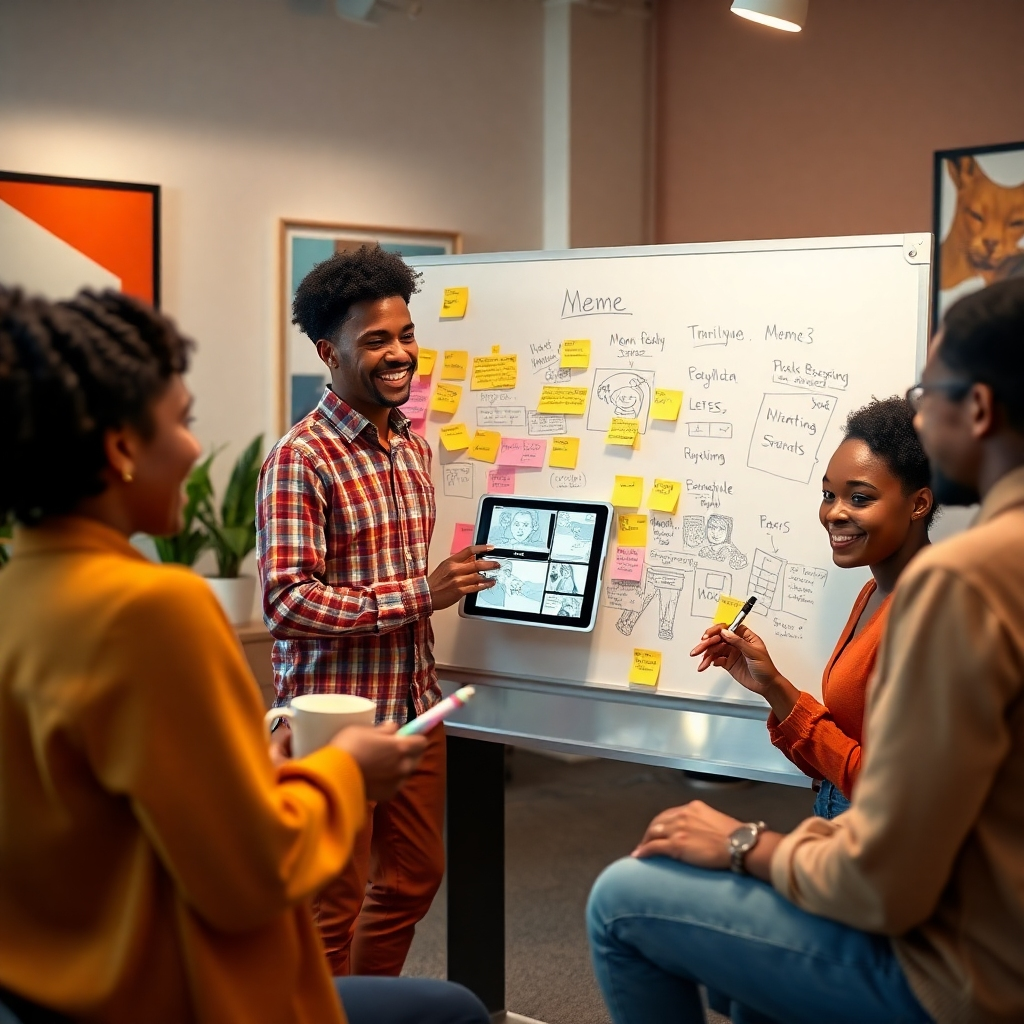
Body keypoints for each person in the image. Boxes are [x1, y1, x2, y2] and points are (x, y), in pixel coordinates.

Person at [0, 287, 489, 1024]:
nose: (197, 448)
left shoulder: (18, 595)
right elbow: (254, 875)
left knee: (409, 883)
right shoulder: (156, 609)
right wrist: (339, 770)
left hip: (62, 991)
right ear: (120, 448)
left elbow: (117, 812)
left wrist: (257, 770)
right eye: (182, 421)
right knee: (447, 1008)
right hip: (177, 992)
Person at [587, 277, 1024, 1024]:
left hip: (956, 974)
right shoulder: (905, 587)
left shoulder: (963, 580)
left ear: (977, 408)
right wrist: (777, 692)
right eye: (830, 493)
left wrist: (745, 843)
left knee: (620, 899)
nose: (836, 513)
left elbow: (888, 878)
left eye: (930, 391)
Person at [257, 245, 498, 977]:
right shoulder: (302, 458)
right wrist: (421, 594)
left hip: (413, 707)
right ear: (330, 353)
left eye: (405, 336)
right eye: (376, 341)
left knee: (412, 881)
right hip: (332, 723)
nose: (400, 355)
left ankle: (369, 1009)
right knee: (331, 904)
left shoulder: (411, 448)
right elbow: (287, 600)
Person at [690, 397, 934, 819]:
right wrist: (771, 684)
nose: (833, 513)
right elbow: (841, 752)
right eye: (828, 494)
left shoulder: (929, 616)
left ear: (918, 504)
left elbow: (883, 788)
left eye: (859, 498)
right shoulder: (871, 594)